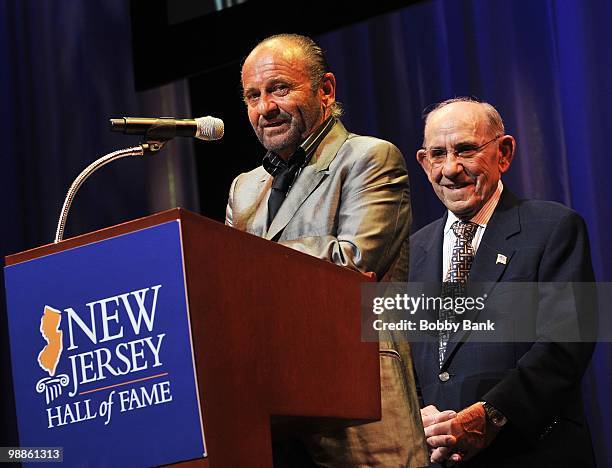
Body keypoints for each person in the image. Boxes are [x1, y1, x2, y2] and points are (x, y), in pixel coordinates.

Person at [226, 34, 427, 466]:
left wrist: (246, 263)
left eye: (280, 88)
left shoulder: (370, 158)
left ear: (326, 90)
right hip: (271, 419)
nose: (265, 108)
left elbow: (352, 262)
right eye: (253, 96)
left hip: (360, 414)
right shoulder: (244, 189)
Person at [409, 97, 596, 467]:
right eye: (437, 154)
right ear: (423, 161)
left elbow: (566, 344)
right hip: (438, 456)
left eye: (465, 150)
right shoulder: (411, 252)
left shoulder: (554, 228)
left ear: (504, 153)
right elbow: (399, 360)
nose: (451, 168)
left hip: (531, 452)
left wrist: (490, 415)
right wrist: (418, 417)